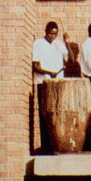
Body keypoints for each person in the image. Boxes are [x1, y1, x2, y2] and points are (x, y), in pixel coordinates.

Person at [32, 21, 70, 153]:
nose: (52, 36)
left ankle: (56, 145)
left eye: (55, 34)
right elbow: (35, 66)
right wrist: (48, 72)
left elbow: (69, 60)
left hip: (57, 84)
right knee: (45, 115)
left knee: (57, 115)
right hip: (44, 83)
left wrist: (67, 42)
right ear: (46, 31)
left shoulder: (58, 44)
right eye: (50, 33)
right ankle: (46, 147)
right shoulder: (38, 44)